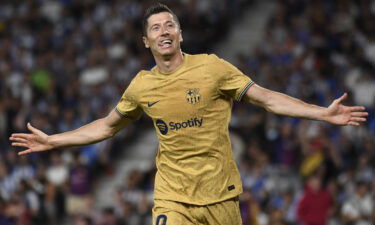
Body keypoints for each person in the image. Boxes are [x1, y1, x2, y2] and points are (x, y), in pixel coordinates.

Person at [9, 3, 368, 225]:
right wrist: (54, 139)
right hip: (172, 196)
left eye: (169, 25)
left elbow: (267, 99)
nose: (163, 31)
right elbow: (107, 126)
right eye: (155, 28)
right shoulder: (141, 86)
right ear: (145, 42)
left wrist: (321, 113)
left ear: (179, 34)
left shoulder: (213, 68)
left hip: (220, 195)